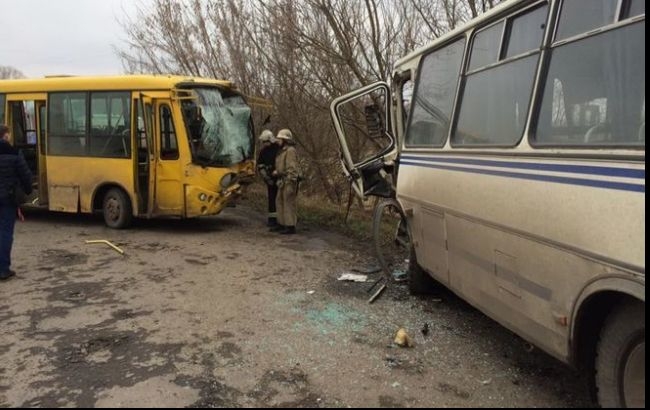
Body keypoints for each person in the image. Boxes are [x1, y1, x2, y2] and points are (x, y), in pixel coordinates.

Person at [0, 125, 33, 281]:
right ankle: (3, 269)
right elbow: (25, 175)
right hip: (8, 199)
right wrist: (28, 191)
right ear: (5, 136)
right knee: (5, 233)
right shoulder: (14, 153)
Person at [272, 129, 300, 235]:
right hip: (282, 180)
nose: (278, 140)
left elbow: (291, 167)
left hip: (289, 180)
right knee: (279, 201)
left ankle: (290, 226)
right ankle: (281, 223)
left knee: (288, 202)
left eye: (280, 138)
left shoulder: (290, 151)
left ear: (285, 139)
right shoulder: (283, 150)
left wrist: (290, 181)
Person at [257, 130, 281, 227]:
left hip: (279, 177)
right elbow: (260, 165)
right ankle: (272, 220)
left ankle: (282, 221)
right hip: (270, 178)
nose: (264, 143)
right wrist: (266, 177)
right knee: (271, 200)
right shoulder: (263, 151)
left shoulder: (279, 149)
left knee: (280, 200)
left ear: (270, 139)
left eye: (265, 141)